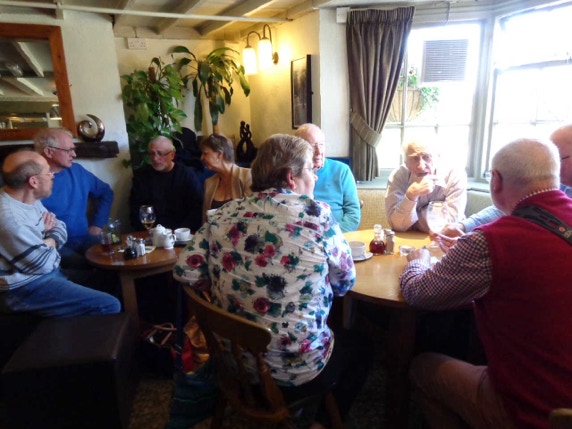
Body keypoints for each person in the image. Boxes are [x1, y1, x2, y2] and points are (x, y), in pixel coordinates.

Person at [174, 134, 370, 429]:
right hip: (297, 372)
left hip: (234, 363)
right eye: (311, 170)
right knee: (362, 346)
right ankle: (320, 421)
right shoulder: (318, 217)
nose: (315, 178)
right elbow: (344, 283)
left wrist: (221, 282)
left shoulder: (222, 215)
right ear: (291, 177)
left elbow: (185, 271)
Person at [400, 138, 572, 428]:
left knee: (422, 368)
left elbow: (418, 293)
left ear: (495, 180)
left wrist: (417, 260)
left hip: (538, 410)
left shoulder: (490, 241)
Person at [0, 150, 120, 318]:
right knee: (109, 305)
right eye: (47, 172)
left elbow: (59, 226)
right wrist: (50, 241)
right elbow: (44, 264)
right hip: (25, 288)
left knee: (111, 277)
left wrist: (48, 242)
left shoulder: (28, 199)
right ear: (33, 181)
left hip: (44, 274)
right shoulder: (11, 219)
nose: (52, 176)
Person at [441, 123, 572, 239]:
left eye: (558, 158)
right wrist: (463, 226)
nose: (551, 165)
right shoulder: (558, 186)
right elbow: (512, 208)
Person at [34, 128, 114, 266]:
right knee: (88, 266)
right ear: (49, 152)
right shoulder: (31, 180)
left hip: (84, 238)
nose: (74, 154)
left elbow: (106, 193)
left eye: (74, 149)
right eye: (68, 150)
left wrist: (98, 224)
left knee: (113, 258)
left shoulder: (77, 171)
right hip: (55, 244)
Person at [385, 139, 467, 232]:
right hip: (408, 237)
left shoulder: (455, 175)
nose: (421, 166)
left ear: (437, 158)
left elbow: (451, 222)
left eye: (427, 157)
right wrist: (411, 196)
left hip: (445, 238)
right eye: (415, 158)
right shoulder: (398, 176)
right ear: (406, 164)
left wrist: (412, 220)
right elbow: (397, 225)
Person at [129, 136, 204, 232]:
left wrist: (178, 233)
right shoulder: (142, 177)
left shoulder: (186, 175)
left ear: (172, 155)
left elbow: (196, 210)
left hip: (180, 232)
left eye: (160, 154)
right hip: (151, 232)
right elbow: (135, 210)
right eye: (152, 153)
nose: (155, 158)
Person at [295, 123, 361, 232]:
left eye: (321, 145)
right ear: (297, 149)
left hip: (338, 235)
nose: (319, 151)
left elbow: (353, 214)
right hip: (300, 235)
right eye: (312, 146)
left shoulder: (341, 170)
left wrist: (331, 235)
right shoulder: (291, 173)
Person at [200, 133, 252, 222]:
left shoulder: (247, 176)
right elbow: (205, 220)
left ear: (219, 154)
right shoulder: (209, 182)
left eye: (205, 153)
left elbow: (251, 214)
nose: (201, 158)